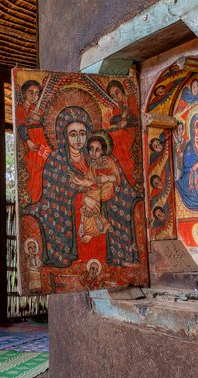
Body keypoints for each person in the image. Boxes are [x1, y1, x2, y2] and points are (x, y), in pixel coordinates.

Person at [22, 106, 140, 269]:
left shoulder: (92, 155)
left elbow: (114, 179)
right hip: (70, 207)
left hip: (99, 198)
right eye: (73, 134)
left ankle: (120, 255)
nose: (78, 139)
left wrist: (104, 186)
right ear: (64, 136)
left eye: (82, 134)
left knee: (120, 201)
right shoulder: (56, 159)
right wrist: (82, 197)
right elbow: (55, 193)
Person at [70, 134, 120, 243]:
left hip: (108, 188)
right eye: (91, 149)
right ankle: (103, 224)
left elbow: (117, 178)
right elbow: (90, 180)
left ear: (102, 151)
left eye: (97, 150)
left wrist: (107, 178)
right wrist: (80, 182)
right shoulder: (92, 164)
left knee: (90, 197)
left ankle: (90, 232)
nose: (93, 152)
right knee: (88, 198)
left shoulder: (109, 160)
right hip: (97, 189)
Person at [16, 80, 51, 203]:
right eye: (31, 92)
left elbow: (47, 123)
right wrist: (28, 141)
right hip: (31, 146)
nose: (34, 96)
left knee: (44, 172)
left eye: (37, 93)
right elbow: (20, 126)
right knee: (33, 173)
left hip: (41, 144)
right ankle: (34, 199)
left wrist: (40, 118)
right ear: (24, 93)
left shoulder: (37, 110)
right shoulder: (20, 109)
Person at [175, 113, 198, 211]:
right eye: (196, 125)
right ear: (192, 129)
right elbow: (187, 165)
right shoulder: (189, 146)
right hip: (190, 176)